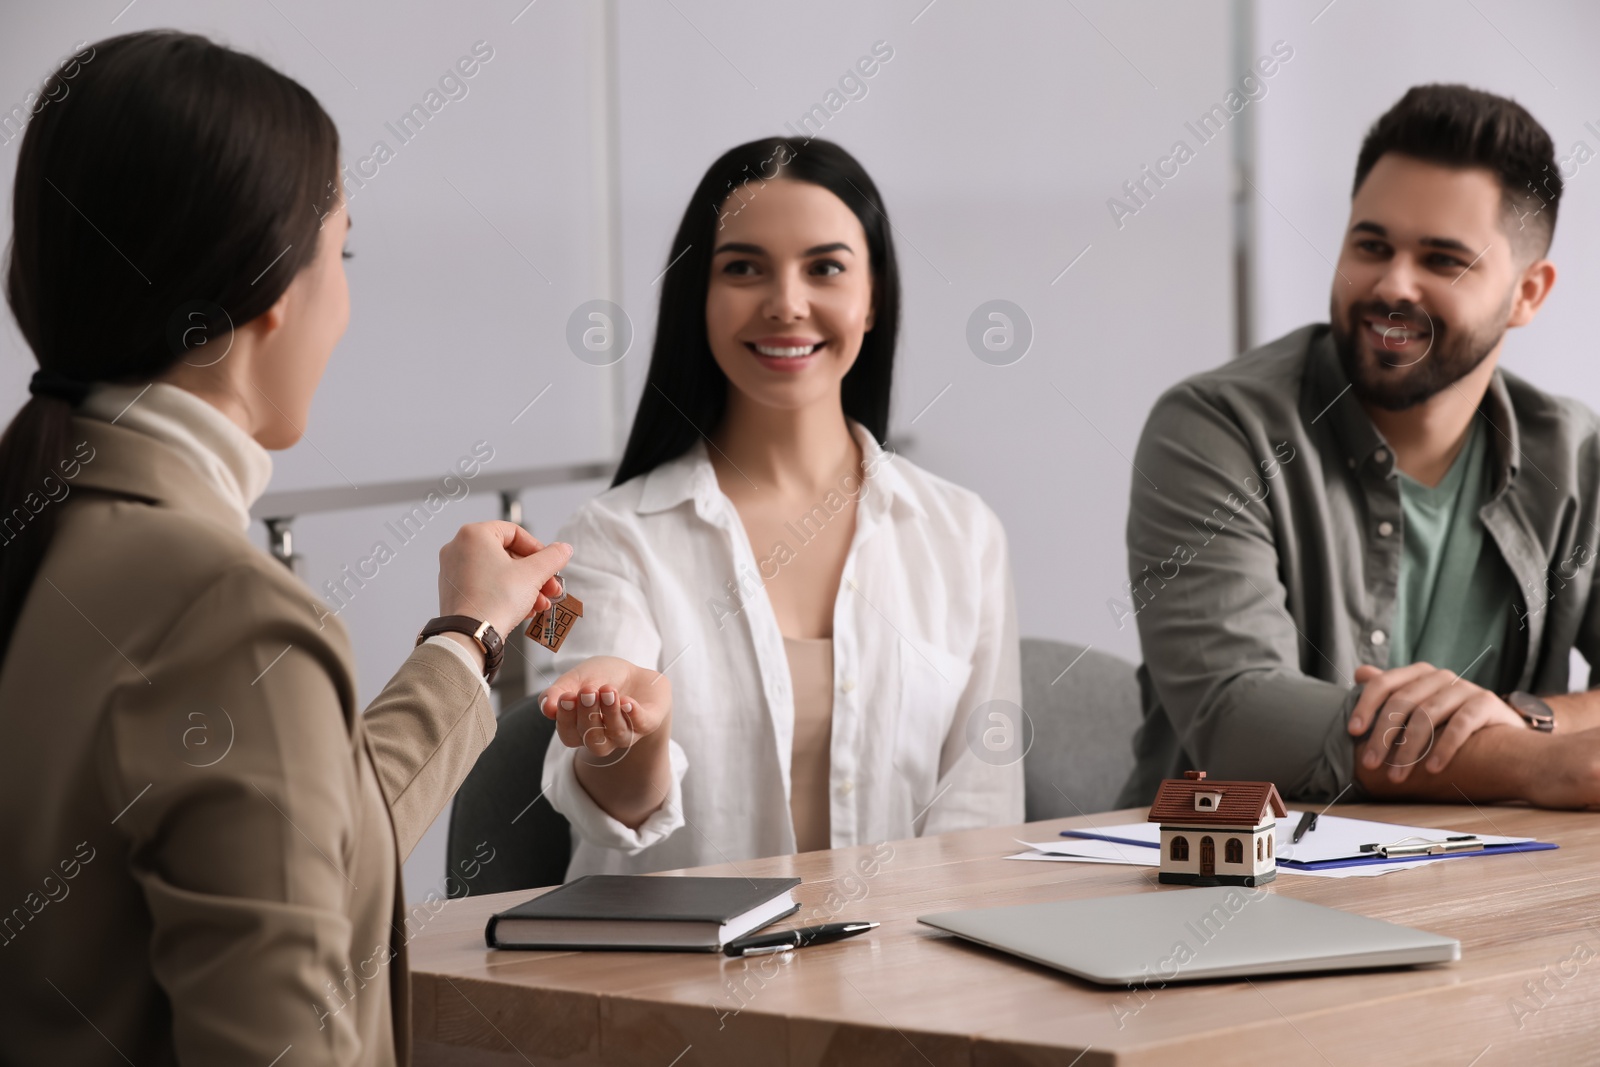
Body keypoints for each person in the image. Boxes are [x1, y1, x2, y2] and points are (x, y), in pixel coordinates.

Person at [0, 31, 569, 1065]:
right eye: (338, 252)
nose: (343, 301)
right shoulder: (220, 611)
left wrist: (465, 636)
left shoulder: (50, 540)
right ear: (274, 288)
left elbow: (303, 855)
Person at [537, 138, 1024, 878]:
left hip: (906, 980)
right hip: (674, 980)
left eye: (824, 267)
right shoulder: (608, 542)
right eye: (743, 268)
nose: (786, 304)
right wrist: (625, 734)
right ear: (697, 294)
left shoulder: (964, 536)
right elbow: (609, 816)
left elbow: (981, 823)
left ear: (874, 297)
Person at [1117, 83, 1600, 810]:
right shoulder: (1214, 428)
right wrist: (1535, 765)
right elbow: (1239, 718)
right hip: (1229, 893)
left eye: (1442, 261)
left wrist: (1528, 719)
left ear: (1528, 293)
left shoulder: (1575, 456)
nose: (1392, 284)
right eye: (1371, 245)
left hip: (1490, 881)